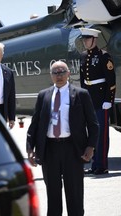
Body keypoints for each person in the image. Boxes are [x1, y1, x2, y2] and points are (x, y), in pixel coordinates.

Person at [26, 61, 99, 216]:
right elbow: (35, 124)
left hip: (73, 149)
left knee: (75, 194)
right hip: (49, 149)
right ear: (51, 76)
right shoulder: (43, 95)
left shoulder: (81, 94)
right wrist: (30, 148)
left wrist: (90, 146)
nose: (59, 75)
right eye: (55, 72)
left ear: (68, 74)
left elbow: (93, 124)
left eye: (62, 72)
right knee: (53, 195)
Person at [79, 27, 116, 175]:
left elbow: (111, 80)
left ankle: (102, 165)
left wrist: (109, 100)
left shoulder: (104, 56)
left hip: (101, 100)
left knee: (101, 134)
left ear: (94, 40)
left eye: (87, 39)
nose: (85, 42)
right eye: (84, 39)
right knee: (91, 134)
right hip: (89, 99)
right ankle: (94, 164)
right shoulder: (83, 56)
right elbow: (83, 80)